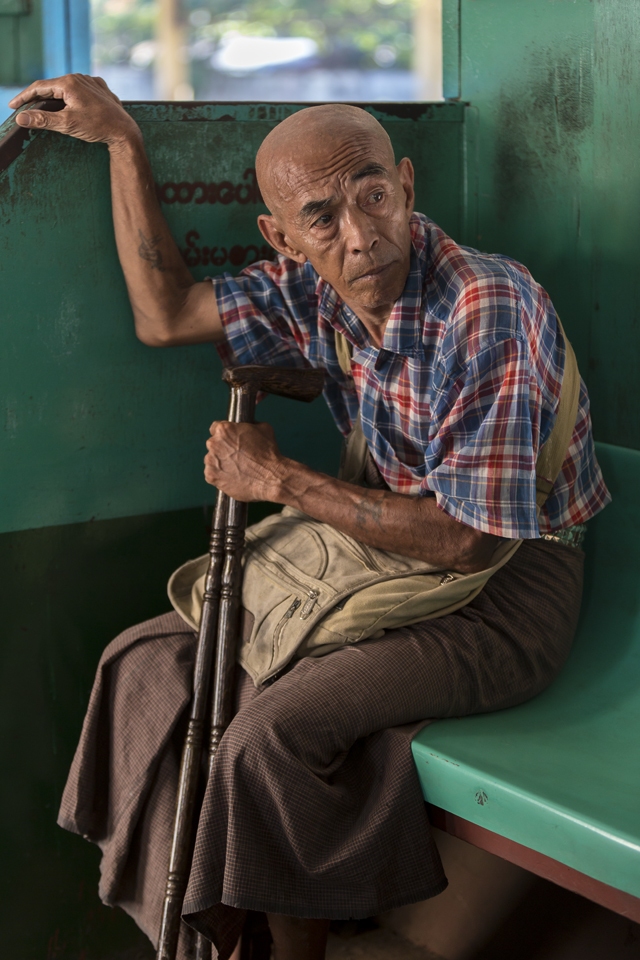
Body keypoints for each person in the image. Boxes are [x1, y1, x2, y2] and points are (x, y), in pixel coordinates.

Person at [9, 76, 610, 960]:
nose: (361, 234)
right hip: (385, 561)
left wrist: (281, 480)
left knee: (266, 735)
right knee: (147, 666)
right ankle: (208, 937)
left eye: (373, 194)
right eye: (322, 217)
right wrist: (124, 144)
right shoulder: (313, 292)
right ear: (282, 240)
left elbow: (464, 539)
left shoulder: (489, 307)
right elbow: (165, 314)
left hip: (506, 592)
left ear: (406, 185)